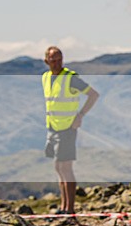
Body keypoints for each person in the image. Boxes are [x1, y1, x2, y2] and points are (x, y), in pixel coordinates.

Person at [42, 46, 99, 215]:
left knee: (66, 168)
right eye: (53, 60)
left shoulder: (70, 78)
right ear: (47, 61)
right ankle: (63, 207)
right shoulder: (45, 78)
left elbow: (93, 95)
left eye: (60, 59)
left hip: (67, 128)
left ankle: (70, 210)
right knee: (59, 167)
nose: (57, 63)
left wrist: (80, 115)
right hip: (53, 127)